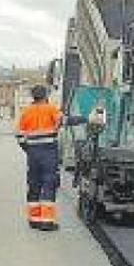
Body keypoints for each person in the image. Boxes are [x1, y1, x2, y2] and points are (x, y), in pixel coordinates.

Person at [15, 85, 105, 231]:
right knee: (49, 183)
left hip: (33, 154)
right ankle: (46, 221)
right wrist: (87, 119)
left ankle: (34, 219)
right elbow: (65, 121)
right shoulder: (50, 109)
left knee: (34, 185)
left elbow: (19, 136)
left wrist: (29, 150)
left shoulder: (26, 112)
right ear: (45, 96)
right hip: (48, 153)